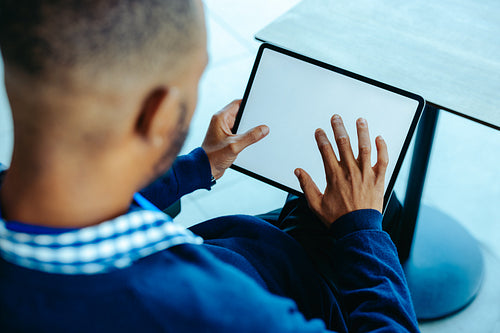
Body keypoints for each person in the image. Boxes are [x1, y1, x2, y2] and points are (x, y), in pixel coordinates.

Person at [0, 0, 419, 332]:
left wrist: (197, 167)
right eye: (195, 78)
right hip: (285, 285)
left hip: (247, 250)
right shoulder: (219, 313)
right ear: (160, 114)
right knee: (381, 208)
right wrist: (361, 229)